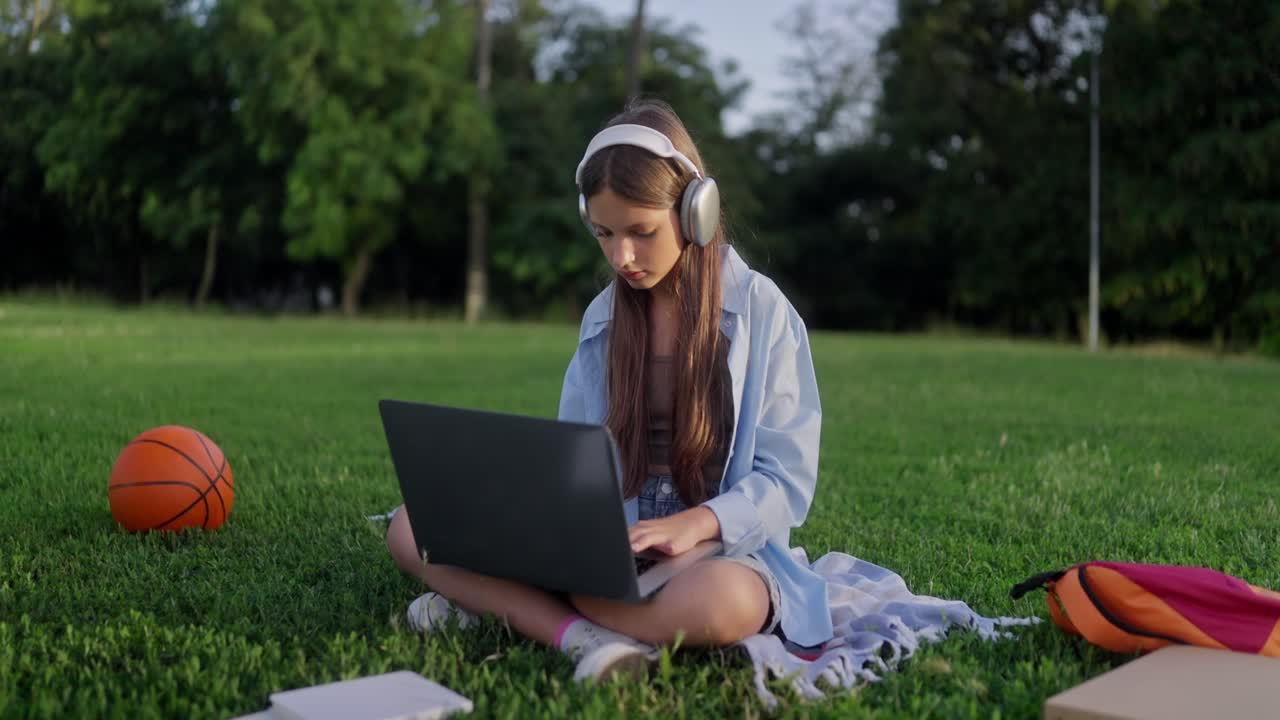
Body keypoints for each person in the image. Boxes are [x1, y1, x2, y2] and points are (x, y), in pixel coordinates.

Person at [385, 99, 833, 683]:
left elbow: (785, 480)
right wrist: (550, 517)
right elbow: (576, 459)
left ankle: (516, 608)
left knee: (726, 606)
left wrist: (697, 524)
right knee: (410, 526)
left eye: (642, 232)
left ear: (695, 212)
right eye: (604, 233)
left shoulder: (761, 310)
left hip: (720, 551)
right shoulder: (603, 319)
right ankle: (585, 636)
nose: (622, 256)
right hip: (609, 545)